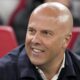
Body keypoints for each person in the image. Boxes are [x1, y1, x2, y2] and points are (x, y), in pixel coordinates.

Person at [0, 2, 80, 80]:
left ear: (66, 40)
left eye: (46, 33)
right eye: (31, 31)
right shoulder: (4, 72)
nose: (35, 40)